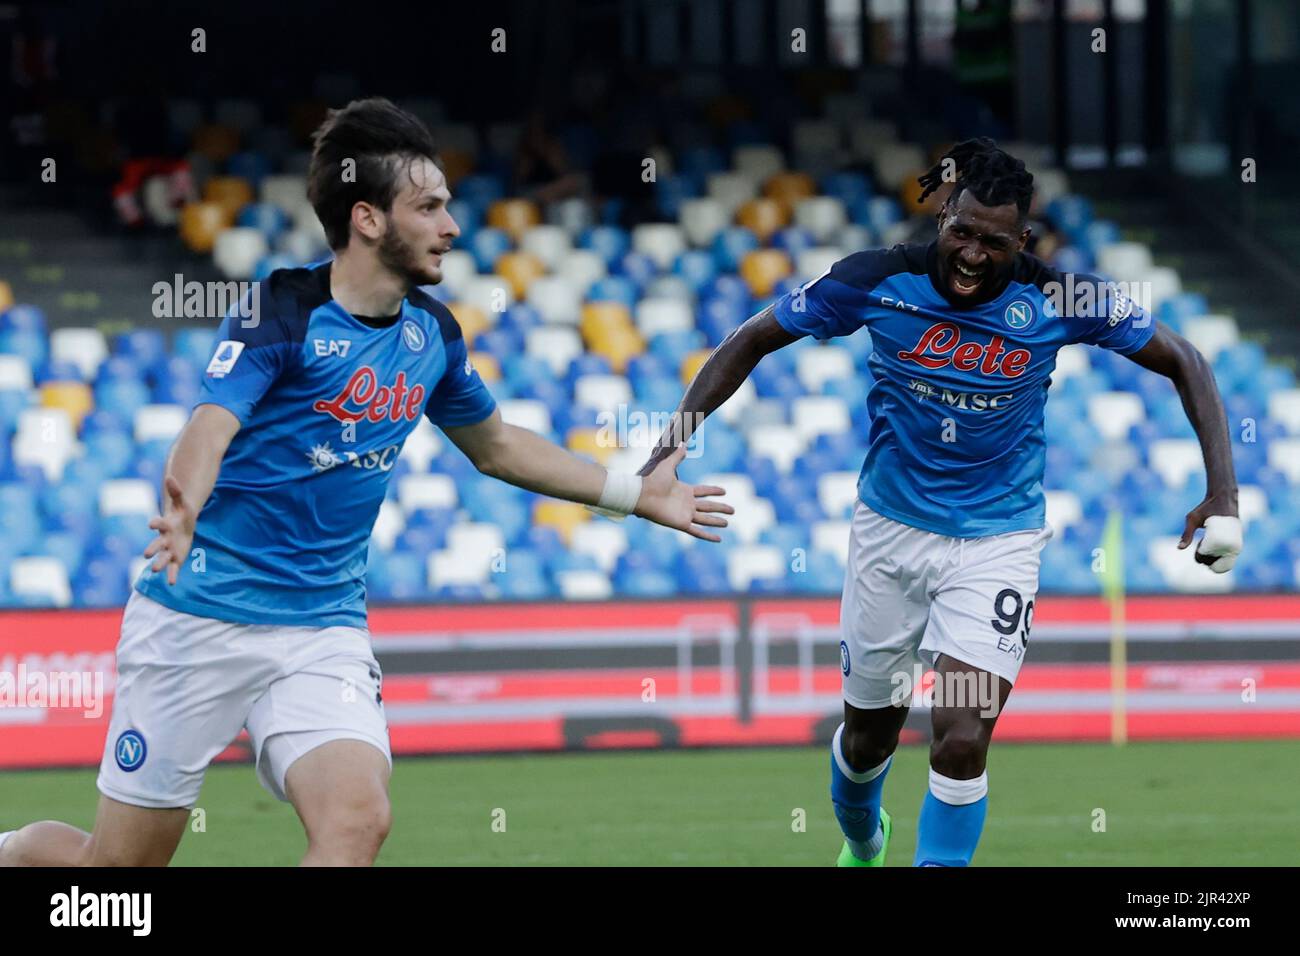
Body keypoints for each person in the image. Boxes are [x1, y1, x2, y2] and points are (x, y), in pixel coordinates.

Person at [0, 97, 732, 867]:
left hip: (322, 630)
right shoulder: (281, 311)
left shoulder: (432, 335)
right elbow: (209, 426)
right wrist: (181, 509)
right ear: (368, 219)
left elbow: (497, 447)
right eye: (430, 206)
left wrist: (634, 491)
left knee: (357, 820)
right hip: (197, 620)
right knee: (116, 877)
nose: (452, 225)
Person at [636, 137, 1241, 866]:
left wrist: (1222, 493)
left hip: (997, 541)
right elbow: (752, 339)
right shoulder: (874, 281)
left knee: (961, 735)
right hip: (890, 536)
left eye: (995, 242)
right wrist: (668, 451)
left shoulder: (1062, 296)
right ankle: (864, 843)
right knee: (869, 741)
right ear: (941, 215)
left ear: (1024, 240)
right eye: (962, 232)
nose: (973, 255)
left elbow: (1186, 359)